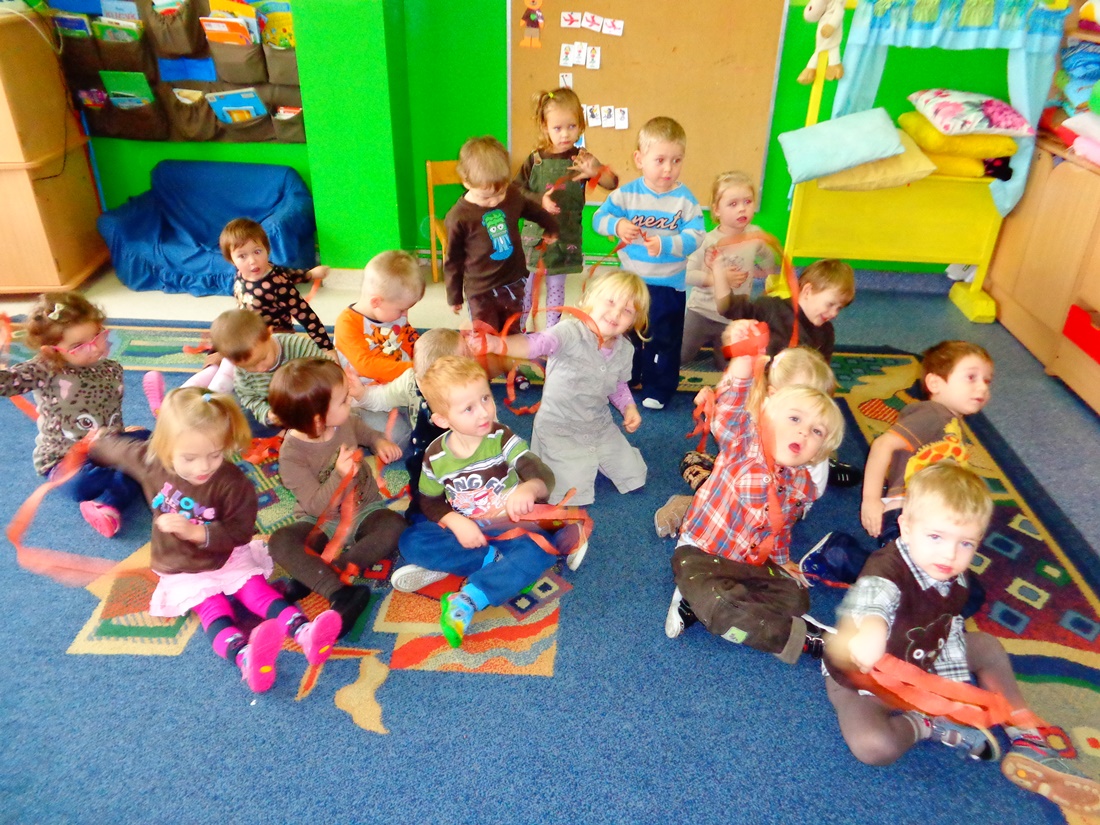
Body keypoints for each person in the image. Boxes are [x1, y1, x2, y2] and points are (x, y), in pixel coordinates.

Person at [823, 462, 1100, 816]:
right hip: (864, 680)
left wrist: (951, 691)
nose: (950, 555)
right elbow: (874, 599)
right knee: (873, 746)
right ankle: (924, 725)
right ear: (906, 528)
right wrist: (872, 632)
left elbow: (948, 630)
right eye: (936, 537)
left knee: (987, 646)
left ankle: (1026, 732)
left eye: (965, 543)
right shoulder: (886, 567)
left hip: (921, 661)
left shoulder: (956, 579)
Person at [88, 388, 341, 693]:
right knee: (213, 608)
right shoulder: (150, 461)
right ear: (163, 447)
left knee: (256, 591)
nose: (203, 467)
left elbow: (240, 532)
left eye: (214, 454)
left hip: (226, 554)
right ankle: (245, 657)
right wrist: (96, 444)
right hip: (181, 565)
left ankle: (305, 632)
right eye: (189, 458)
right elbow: (118, 450)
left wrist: (199, 533)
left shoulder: (233, 483)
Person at [664, 320, 845, 666]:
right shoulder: (744, 441)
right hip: (702, 553)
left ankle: (698, 603)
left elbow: (780, 526)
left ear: (821, 451)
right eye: (795, 419)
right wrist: (744, 357)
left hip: (749, 564)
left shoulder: (799, 482)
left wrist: (782, 559)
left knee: (796, 597)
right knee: (721, 608)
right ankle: (803, 640)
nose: (803, 433)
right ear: (770, 408)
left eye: (816, 432)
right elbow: (731, 406)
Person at [392, 356, 585, 648]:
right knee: (411, 541)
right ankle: (494, 562)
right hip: (471, 532)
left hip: (513, 525)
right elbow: (429, 502)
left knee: (541, 551)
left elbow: (539, 471)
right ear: (443, 420)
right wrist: (456, 522)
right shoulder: (435, 456)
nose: (484, 411)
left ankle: (470, 597)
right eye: (468, 408)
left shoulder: (500, 436)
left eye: (485, 398)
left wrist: (530, 488)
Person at [480, 269, 649, 506]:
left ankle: (596, 458)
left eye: (628, 310)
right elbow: (535, 344)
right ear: (589, 299)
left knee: (634, 473)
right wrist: (499, 344)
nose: (616, 313)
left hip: (598, 425)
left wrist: (629, 407)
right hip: (559, 426)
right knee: (568, 491)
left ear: (635, 320)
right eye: (610, 302)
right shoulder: (568, 332)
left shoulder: (625, 350)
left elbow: (618, 385)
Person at [265, 358, 407, 637]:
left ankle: (323, 572)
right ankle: (339, 592)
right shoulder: (291, 455)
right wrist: (338, 476)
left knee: (395, 526)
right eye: (343, 401)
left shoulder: (343, 422)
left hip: (365, 507)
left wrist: (378, 441)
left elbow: (361, 429)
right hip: (320, 519)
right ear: (318, 420)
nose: (350, 402)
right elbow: (315, 505)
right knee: (280, 541)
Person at [1, 293, 146, 538]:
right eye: (78, 346)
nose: (95, 348)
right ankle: (109, 503)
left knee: (153, 446)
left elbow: (106, 412)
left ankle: (121, 485)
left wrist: (120, 435)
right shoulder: (46, 369)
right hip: (65, 459)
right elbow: (7, 383)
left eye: (97, 335)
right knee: (83, 485)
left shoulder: (110, 369)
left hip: (109, 446)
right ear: (51, 351)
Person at [148, 219, 334, 409]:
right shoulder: (241, 275)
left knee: (228, 367)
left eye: (257, 251)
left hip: (269, 341)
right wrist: (310, 275)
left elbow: (304, 313)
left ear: (267, 249)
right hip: (244, 334)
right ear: (231, 259)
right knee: (216, 363)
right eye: (242, 256)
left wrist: (326, 346)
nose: (252, 261)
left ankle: (201, 407)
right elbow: (288, 273)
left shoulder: (278, 283)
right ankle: (173, 402)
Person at [654, 345, 835, 537]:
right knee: (692, 460)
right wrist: (712, 406)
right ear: (773, 394)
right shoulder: (757, 407)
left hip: (775, 505)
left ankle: (694, 507)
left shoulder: (808, 438)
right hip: (743, 482)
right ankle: (714, 507)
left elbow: (811, 490)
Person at [591, 116, 705, 411]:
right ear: (639, 159)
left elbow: (696, 235)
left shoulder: (685, 201)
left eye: (676, 160)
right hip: (632, 283)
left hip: (668, 285)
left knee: (663, 339)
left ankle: (658, 388)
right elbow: (598, 218)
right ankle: (625, 380)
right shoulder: (627, 194)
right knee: (625, 335)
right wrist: (617, 226)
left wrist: (666, 245)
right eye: (660, 160)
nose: (668, 168)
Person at [861, 340, 993, 546]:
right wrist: (871, 500)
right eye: (971, 377)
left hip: (929, 511)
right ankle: (838, 555)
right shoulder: (932, 414)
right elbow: (882, 445)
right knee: (902, 563)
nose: (982, 387)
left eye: (987, 380)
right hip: (908, 508)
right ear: (935, 383)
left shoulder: (949, 422)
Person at [514, 87, 618, 330]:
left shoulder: (582, 159)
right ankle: (519, 330)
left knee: (556, 287)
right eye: (557, 128)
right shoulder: (535, 159)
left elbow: (612, 183)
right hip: (534, 238)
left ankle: (553, 332)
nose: (565, 134)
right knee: (526, 288)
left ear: (581, 125)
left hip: (565, 236)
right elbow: (515, 191)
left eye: (571, 126)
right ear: (545, 127)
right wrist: (539, 200)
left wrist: (596, 172)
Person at [444, 136, 559, 336]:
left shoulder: (512, 195)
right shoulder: (458, 217)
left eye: (500, 193)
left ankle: (511, 355)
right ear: (466, 182)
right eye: (486, 196)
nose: (494, 201)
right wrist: (454, 295)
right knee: (486, 335)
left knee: (513, 332)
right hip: (481, 291)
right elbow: (453, 259)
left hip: (514, 281)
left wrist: (550, 227)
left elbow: (532, 209)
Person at [352, 327, 468, 520]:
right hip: (423, 456)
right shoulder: (411, 380)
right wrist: (361, 394)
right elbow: (382, 397)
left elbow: (490, 428)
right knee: (422, 503)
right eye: (422, 381)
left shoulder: (469, 388)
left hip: (463, 456)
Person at [681, 171, 775, 370]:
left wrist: (769, 275)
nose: (742, 209)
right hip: (701, 313)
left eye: (747, 202)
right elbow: (687, 273)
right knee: (682, 355)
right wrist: (718, 278)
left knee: (728, 365)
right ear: (717, 210)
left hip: (734, 316)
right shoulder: (707, 241)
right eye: (733, 204)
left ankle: (718, 348)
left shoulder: (755, 235)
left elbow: (767, 255)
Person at [333, 249, 425, 449]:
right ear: (376, 302)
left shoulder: (393, 314)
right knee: (399, 438)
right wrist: (414, 369)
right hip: (365, 396)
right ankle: (352, 422)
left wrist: (427, 357)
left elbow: (412, 341)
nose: (405, 315)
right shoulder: (347, 323)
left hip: (399, 386)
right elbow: (366, 366)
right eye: (401, 309)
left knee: (437, 415)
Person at [208, 309, 329, 437]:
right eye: (249, 367)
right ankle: (285, 431)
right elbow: (250, 398)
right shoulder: (241, 371)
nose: (261, 369)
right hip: (275, 410)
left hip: (308, 402)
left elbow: (327, 369)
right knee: (232, 418)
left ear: (269, 333)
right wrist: (267, 414)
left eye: (263, 358)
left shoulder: (297, 345)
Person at [720, 258, 854, 362]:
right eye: (830, 304)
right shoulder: (772, 307)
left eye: (839, 308)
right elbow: (733, 308)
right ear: (807, 291)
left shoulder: (826, 332)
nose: (834, 313)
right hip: (756, 382)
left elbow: (822, 372)